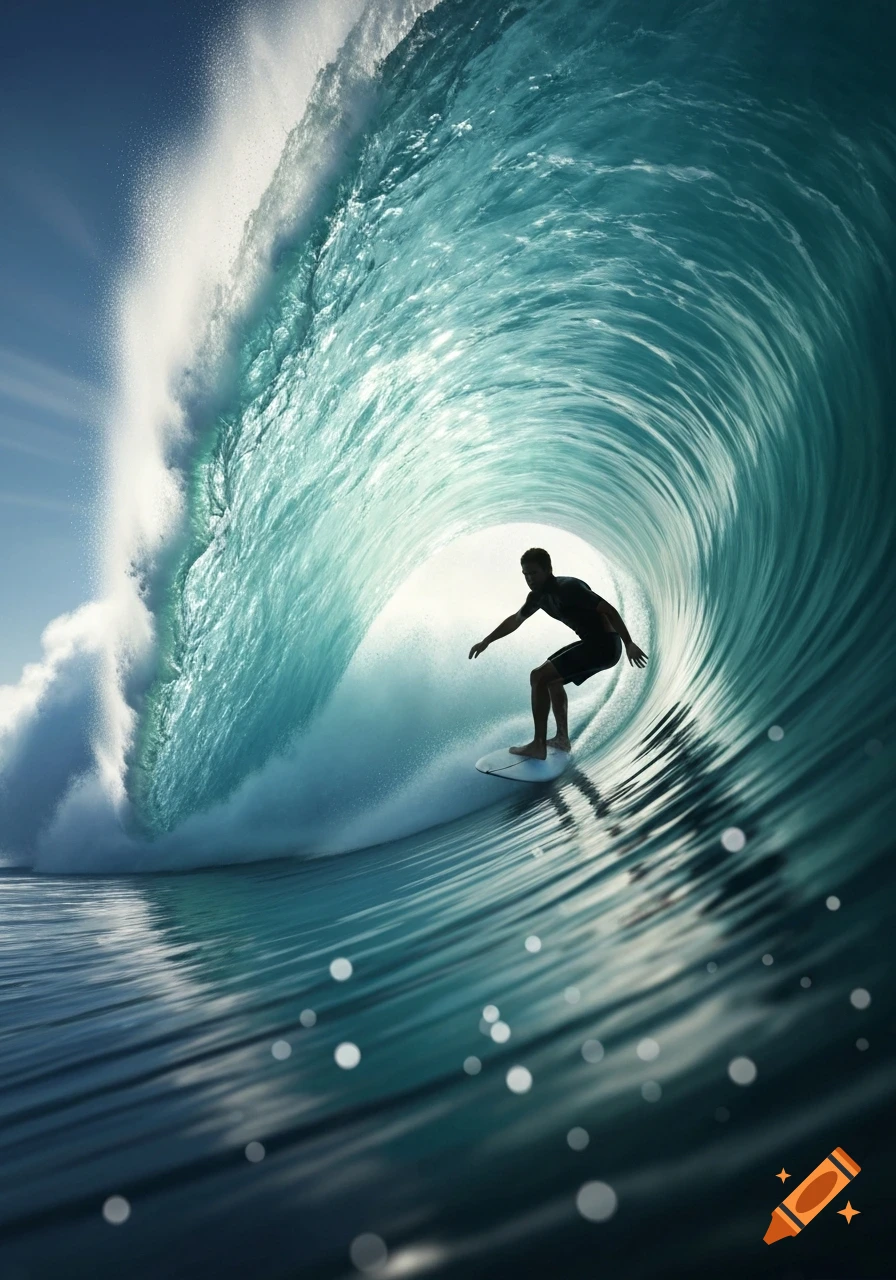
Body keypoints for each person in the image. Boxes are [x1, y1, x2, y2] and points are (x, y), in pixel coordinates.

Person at [468, 547, 648, 760]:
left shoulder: (568, 588)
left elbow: (608, 610)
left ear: (548, 569)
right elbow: (516, 620)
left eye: (534, 573)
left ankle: (538, 745)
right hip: (593, 645)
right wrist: (486, 640)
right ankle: (562, 738)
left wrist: (629, 643)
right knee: (551, 680)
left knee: (538, 676)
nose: (529, 579)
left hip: (605, 646)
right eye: (525, 574)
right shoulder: (536, 597)